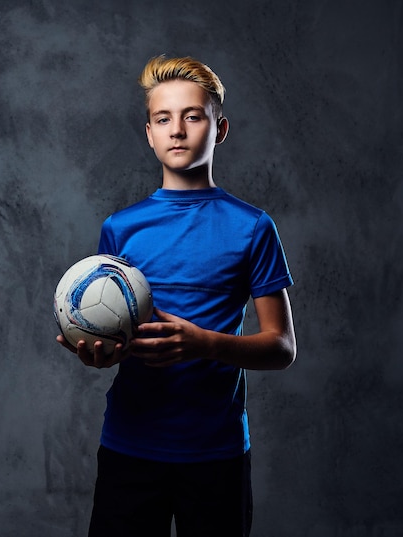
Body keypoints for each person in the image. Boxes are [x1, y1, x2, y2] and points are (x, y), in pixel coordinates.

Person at [57, 55, 297, 537]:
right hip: (130, 445)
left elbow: (282, 347)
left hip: (216, 452)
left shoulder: (252, 227)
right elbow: (112, 327)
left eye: (193, 116)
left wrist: (203, 343)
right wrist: (101, 355)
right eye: (163, 118)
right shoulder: (120, 229)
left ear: (220, 128)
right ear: (149, 133)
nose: (178, 130)